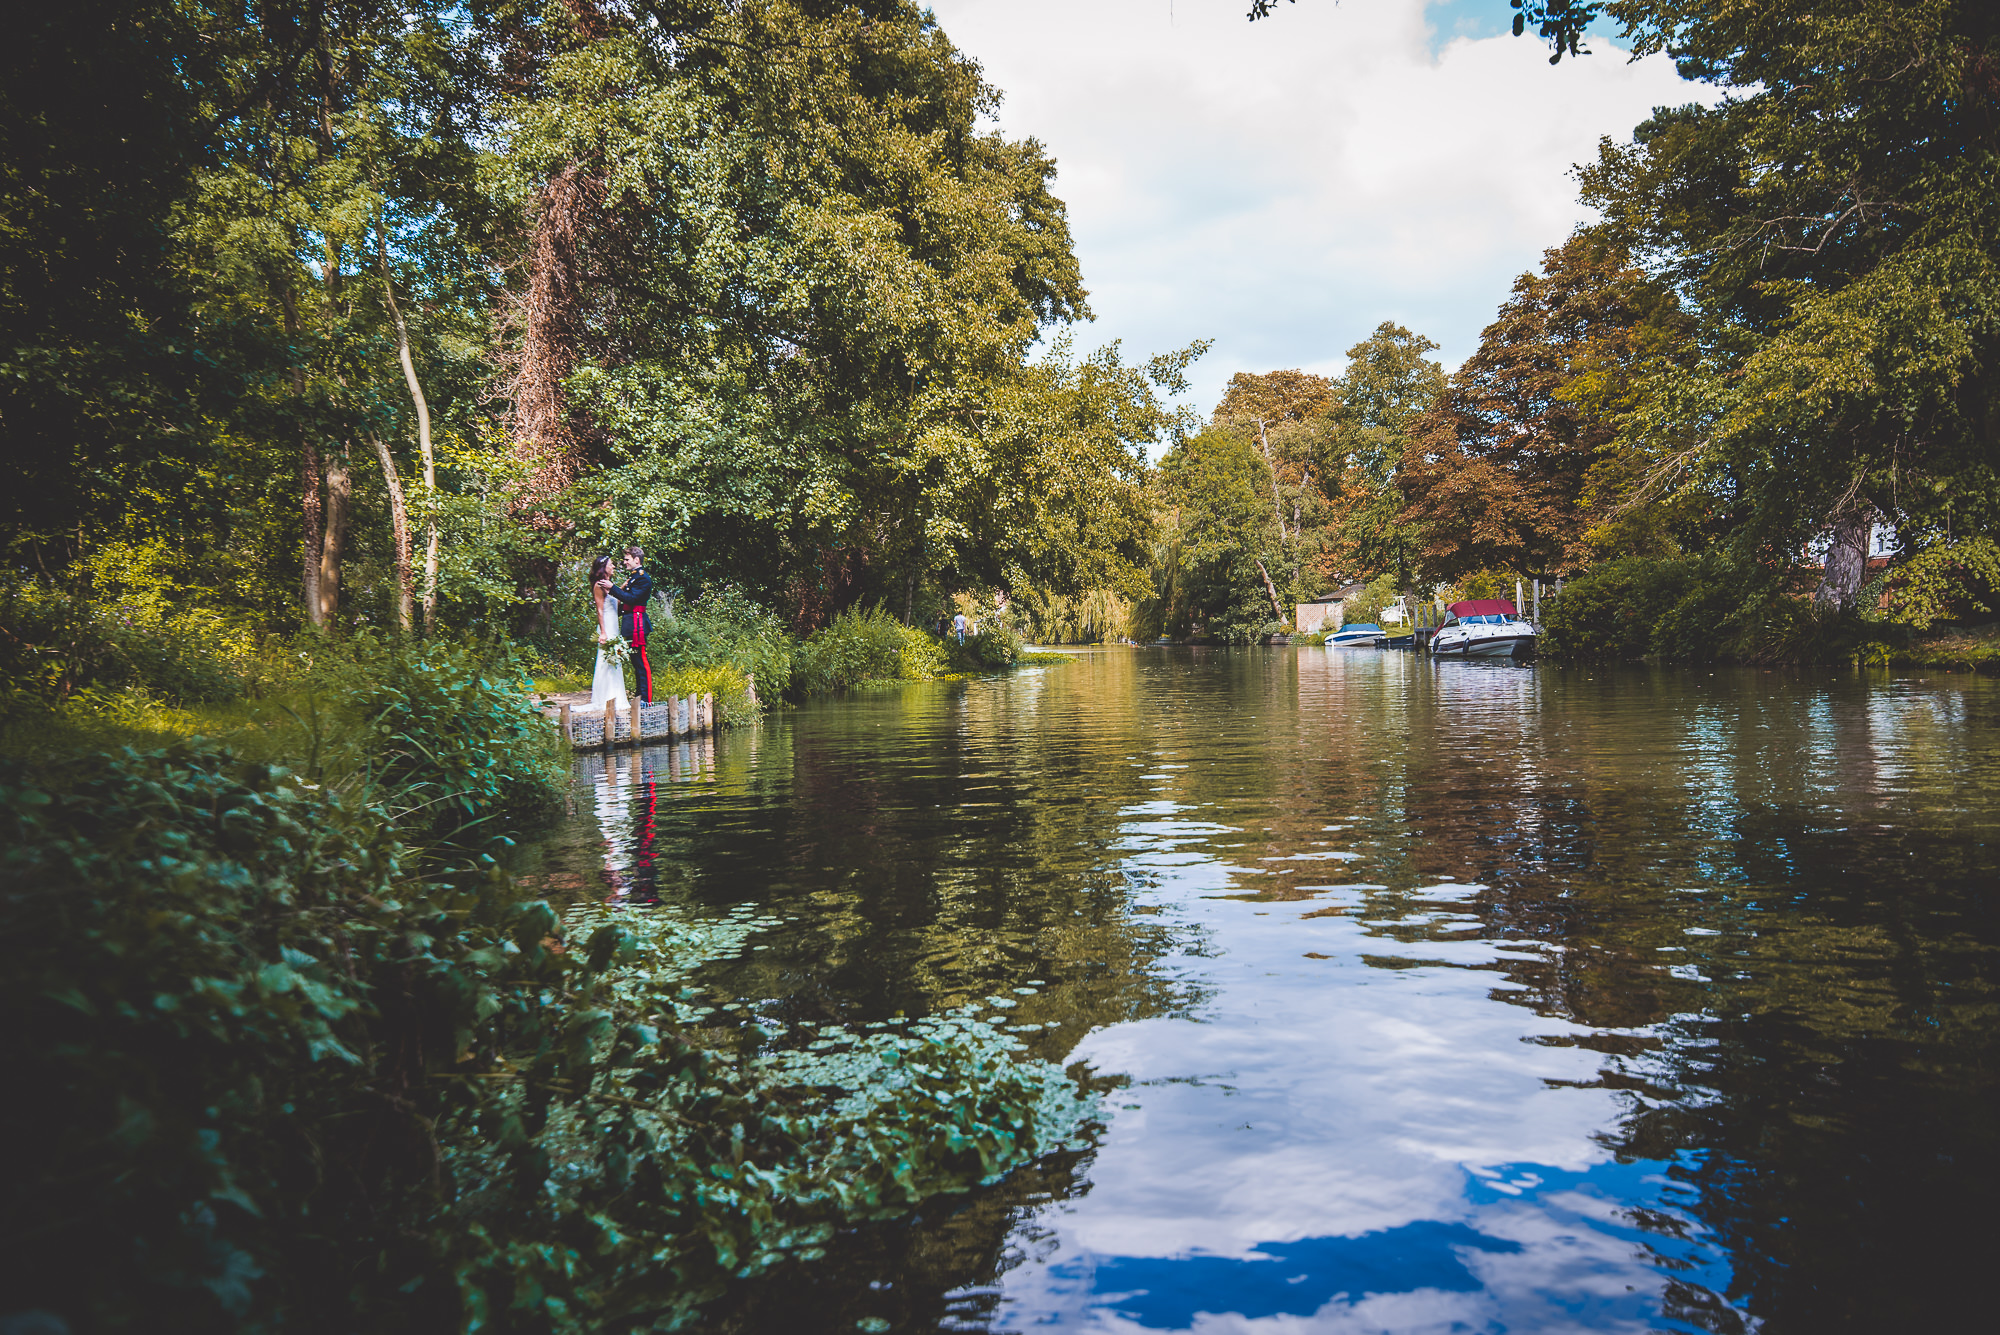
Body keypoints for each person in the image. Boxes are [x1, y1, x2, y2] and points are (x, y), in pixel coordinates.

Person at [608, 545, 656, 702]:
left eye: (626, 559)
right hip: (631, 624)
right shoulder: (635, 577)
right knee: (636, 663)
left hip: (638, 626)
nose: (624, 562)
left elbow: (631, 599)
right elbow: (627, 604)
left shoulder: (642, 578)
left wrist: (612, 588)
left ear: (637, 560)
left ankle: (646, 699)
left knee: (641, 663)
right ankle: (639, 696)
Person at [588, 555, 629, 709]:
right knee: (606, 660)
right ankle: (604, 696)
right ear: (603, 567)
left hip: (614, 624)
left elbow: (615, 603)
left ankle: (616, 695)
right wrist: (603, 632)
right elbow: (600, 610)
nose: (613, 567)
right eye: (611, 564)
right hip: (606, 625)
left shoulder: (609, 585)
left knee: (615, 659)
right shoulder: (598, 585)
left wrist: (621, 588)